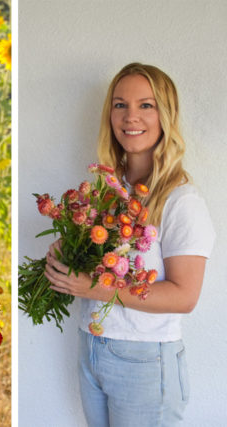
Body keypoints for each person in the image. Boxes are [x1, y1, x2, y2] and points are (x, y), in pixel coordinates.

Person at [44, 63, 215, 426]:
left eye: (146, 105)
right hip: (92, 346)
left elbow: (184, 296)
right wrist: (68, 251)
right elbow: (101, 262)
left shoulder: (180, 200)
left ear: (166, 114)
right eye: (120, 105)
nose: (130, 116)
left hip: (144, 362)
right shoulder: (109, 190)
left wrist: (94, 289)